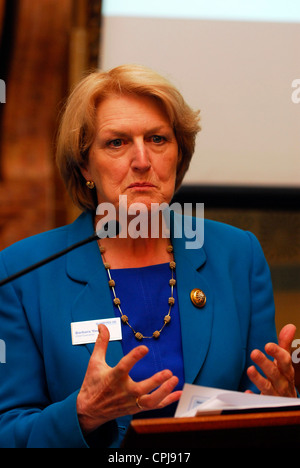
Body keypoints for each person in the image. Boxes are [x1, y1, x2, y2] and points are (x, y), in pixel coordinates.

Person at [0, 64, 297, 448]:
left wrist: (280, 405)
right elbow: (8, 433)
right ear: (85, 164)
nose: (142, 160)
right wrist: (83, 414)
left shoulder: (237, 256)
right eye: (117, 142)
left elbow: (259, 408)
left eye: (157, 139)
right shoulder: (24, 271)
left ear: (179, 154)